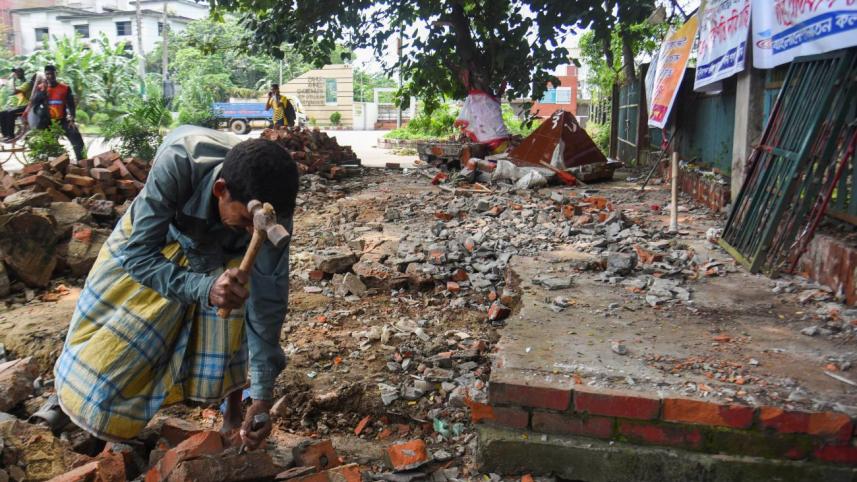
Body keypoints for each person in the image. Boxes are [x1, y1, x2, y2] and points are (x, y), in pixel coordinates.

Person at [53, 126, 299, 450]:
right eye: (242, 221)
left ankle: (234, 413)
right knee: (114, 319)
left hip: (220, 255)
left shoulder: (273, 214)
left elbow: (268, 302)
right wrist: (204, 288)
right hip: (157, 240)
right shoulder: (179, 162)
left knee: (239, 293)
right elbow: (138, 254)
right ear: (220, 190)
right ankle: (64, 397)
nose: (247, 230)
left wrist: (264, 397)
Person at [41, 65, 85, 160]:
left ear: (55, 74)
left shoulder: (65, 88)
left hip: (62, 121)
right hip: (48, 123)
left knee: (77, 138)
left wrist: (72, 118)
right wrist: (43, 92)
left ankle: (82, 162)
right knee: (48, 147)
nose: (50, 76)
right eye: (47, 74)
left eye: (52, 74)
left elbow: (71, 105)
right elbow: (34, 103)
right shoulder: (41, 89)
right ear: (45, 75)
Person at [0, 68, 31, 141]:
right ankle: (6, 135)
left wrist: (13, 80)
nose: (16, 74)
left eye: (18, 72)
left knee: (10, 113)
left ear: (22, 73)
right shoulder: (19, 83)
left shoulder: (27, 83)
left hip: (26, 106)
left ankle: (11, 136)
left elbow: (14, 91)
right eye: (15, 73)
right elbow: (13, 94)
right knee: (2, 113)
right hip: (19, 106)